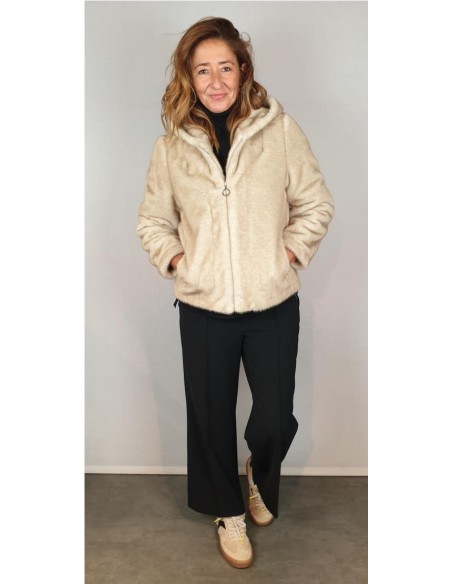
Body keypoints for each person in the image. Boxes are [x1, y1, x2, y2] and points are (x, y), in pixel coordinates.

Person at [136, 16, 334, 569]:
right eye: (203, 70)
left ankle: (258, 477)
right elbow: (153, 221)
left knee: (275, 416)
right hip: (203, 307)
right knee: (210, 418)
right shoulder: (171, 148)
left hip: (272, 302)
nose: (216, 81)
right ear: (189, 77)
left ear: (243, 70)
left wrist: (285, 254)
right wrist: (182, 261)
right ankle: (228, 512)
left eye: (225, 67)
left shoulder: (280, 131)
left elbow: (316, 203)